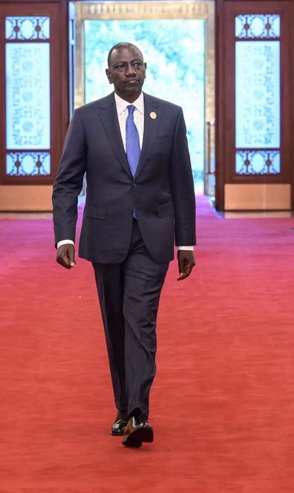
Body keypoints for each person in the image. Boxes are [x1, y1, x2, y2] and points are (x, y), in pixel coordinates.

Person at [52, 42, 196, 448]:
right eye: (121, 66)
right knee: (116, 324)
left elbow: (182, 184)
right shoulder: (86, 119)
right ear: (108, 74)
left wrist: (186, 242)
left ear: (146, 70)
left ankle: (138, 412)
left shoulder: (169, 116)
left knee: (141, 320)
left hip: (152, 238)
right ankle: (122, 406)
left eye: (135, 65)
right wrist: (64, 234)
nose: (129, 71)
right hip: (105, 237)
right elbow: (66, 182)